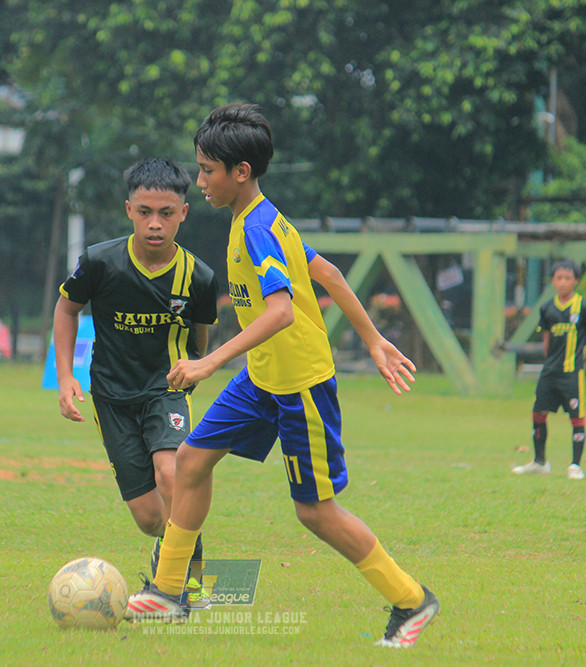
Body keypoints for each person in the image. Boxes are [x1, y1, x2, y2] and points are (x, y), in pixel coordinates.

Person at [126, 103, 440, 649]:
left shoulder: (261, 230)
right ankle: (170, 592)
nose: (199, 181)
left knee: (315, 512)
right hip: (261, 379)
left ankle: (412, 600)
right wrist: (372, 339)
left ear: (239, 172)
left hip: (301, 388)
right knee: (191, 462)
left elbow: (281, 312)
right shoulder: (261, 218)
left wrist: (208, 360)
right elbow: (328, 272)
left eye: (207, 170)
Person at [53, 157, 218, 572]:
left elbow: (201, 336)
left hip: (166, 390)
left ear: (183, 213)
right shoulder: (100, 262)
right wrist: (65, 375)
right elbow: (66, 309)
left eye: (166, 214)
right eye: (145, 213)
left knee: (172, 475)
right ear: (129, 210)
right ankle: (172, 552)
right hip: (111, 397)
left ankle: (185, 584)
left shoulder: (199, 277)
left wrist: (193, 368)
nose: (155, 224)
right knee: (149, 518)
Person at [513, 259, 586, 480]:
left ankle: (575, 466)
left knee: (577, 417)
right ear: (553, 280)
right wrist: (548, 364)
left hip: (572, 372)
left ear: (575, 281)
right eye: (559, 278)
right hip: (549, 372)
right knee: (538, 413)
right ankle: (540, 462)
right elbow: (546, 340)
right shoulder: (547, 308)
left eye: (568, 278)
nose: (563, 282)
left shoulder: (584, 307)